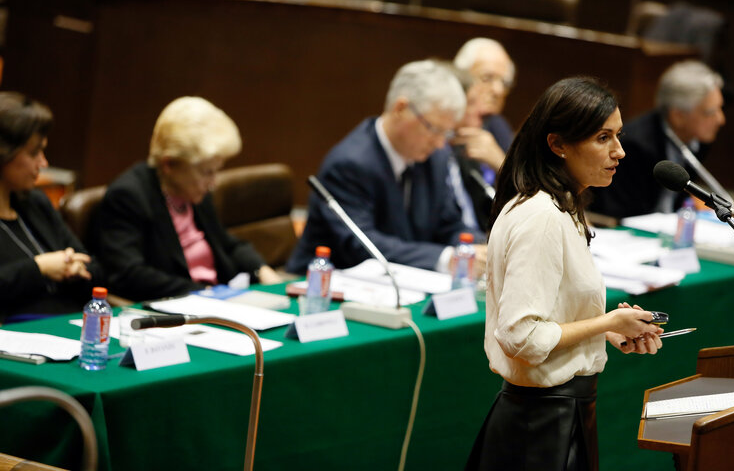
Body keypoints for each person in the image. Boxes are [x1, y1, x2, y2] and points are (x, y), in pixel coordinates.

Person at [465, 77, 663, 471]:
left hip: (560, 412)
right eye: (603, 138)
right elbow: (520, 335)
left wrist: (608, 331)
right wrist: (607, 319)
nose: (619, 151)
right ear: (557, 145)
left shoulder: (560, 205)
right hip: (538, 426)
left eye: (618, 136)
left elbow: (549, 317)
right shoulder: (540, 216)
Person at [286, 59, 486, 274]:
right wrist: (445, 259)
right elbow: (363, 245)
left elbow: (448, 224)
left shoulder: (434, 158)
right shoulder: (350, 164)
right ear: (400, 109)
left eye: (446, 133)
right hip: (321, 288)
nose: (439, 143)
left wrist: (477, 249)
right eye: (434, 129)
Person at [98, 96, 281, 301]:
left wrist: (262, 271)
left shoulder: (194, 192)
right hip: (178, 308)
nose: (213, 182)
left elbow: (227, 245)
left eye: (215, 171)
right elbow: (129, 274)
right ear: (169, 164)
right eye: (206, 172)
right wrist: (206, 294)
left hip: (217, 298)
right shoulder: (129, 196)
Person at [0, 92, 101, 323]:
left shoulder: (35, 203)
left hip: (70, 326)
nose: (43, 163)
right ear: (4, 152)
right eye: (34, 153)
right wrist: (40, 268)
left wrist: (72, 269)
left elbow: (94, 268)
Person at [590, 60, 725, 219]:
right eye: (710, 113)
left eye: (720, 109)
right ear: (678, 116)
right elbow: (622, 213)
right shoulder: (635, 145)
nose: (721, 119)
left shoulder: (697, 140)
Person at [449, 37, 516, 231]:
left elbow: (528, 189)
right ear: (460, 78)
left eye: (504, 82)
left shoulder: (497, 126)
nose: (498, 90)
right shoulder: (438, 130)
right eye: (487, 78)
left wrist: (500, 163)